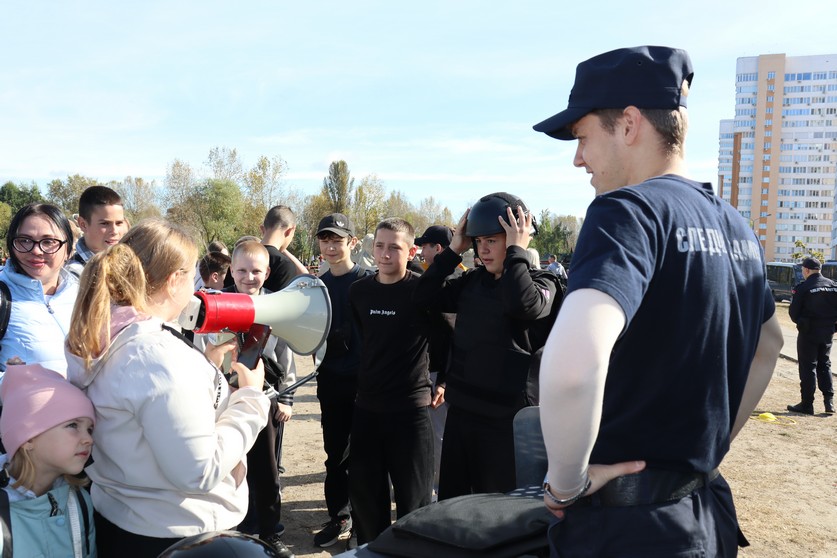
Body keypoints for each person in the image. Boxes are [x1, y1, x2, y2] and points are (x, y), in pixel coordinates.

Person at [532, 46, 784, 556]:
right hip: (703, 517)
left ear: (628, 124)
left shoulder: (626, 212)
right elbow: (769, 344)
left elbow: (573, 368)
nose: (578, 158)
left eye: (582, 137)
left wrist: (565, 483)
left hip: (627, 529)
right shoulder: (736, 225)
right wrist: (710, 449)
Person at [65, 220, 270, 557]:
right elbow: (199, 471)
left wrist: (206, 368)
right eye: (191, 276)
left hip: (124, 522)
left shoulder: (106, 332)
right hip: (179, 535)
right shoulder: (158, 355)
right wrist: (251, 400)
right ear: (175, 281)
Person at [414, 193, 561, 500]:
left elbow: (523, 304)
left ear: (517, 237)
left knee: (500, 509)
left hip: (508, 422)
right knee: (454, 503)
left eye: (493, 240)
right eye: (479, 240)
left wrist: (517, 251)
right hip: (463, 414)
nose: (482, 249)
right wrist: (454, 250)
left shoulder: (544, 283)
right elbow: (422, 297)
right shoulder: (472, 282)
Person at [348, 218, 434, 544]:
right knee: (367, 502)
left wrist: (442, 382)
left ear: (411, 252)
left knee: (415, 504)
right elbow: (362, 339)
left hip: (410, 413)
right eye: (380, 246)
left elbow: (447, 337)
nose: (385, 254)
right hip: (367, 410)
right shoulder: (359, 292)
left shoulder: (421, 291)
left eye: (394, 248)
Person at [223, 240, 295, 558]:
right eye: (242, 270)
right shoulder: (218, 304)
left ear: (266, 273)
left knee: (266, 470)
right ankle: (235, 529)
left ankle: (269, 531)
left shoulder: (276, 306)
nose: (248, 277)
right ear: (231, 270)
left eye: (256, 271)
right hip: (226, 399)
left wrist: (287, 398)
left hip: (266, 399)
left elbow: (286, 356)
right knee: (229, 464)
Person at [311, 213, 372, 549]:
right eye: (325, 240)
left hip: (365, 385)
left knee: (364, 457)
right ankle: (340, 516)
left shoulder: (368, 282)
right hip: (330, 380)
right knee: (335, 455)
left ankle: (364, 523)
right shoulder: (317, 287)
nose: (331, 247)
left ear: (352, 242)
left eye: (337, 240)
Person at [0, 364, 97, 557]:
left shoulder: (79, 501)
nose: (89, 439)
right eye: (73, 425)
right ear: (28, 438)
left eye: (89, 429)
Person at [0, 203, 78, 376]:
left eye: (49, 241)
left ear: (68, 248)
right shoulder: (3, 296)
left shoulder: (84, 295)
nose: (36, 250)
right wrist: (17, 383)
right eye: (24, 240)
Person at [787, 257, 837, 415]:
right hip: (827, 332)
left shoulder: (803, 288)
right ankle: (829, 403)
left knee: (808, 367)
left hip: (808, 333)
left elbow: (794, 313)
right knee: (825, 364)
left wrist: (802, 323)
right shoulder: (833, 286)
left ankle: (807, 404)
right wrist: (833, 328)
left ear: (807, 270)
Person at [65, 185, 129, 279]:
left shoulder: (129, 264)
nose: (114, 231)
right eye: (105, 224)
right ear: (83, 224)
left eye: (119, 223)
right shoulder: (73, 274)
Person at [258, 205, 308, 293]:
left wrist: (282, 249)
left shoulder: (241, 256)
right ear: (289, 231)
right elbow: (306, 278)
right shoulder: (283, 264)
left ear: (262, 229)